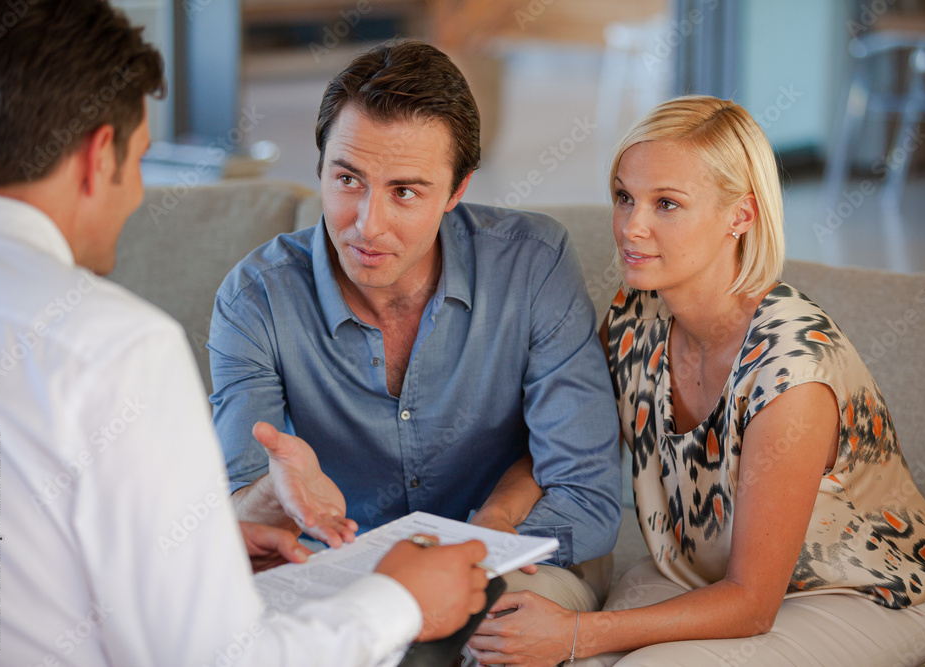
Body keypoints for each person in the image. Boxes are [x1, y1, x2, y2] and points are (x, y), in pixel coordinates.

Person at [0, 2, 489, 665]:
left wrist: (201, 547)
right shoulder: (113, 347)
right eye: (141, 164)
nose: (135, 197)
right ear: (100, 155)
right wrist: (401, 600)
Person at [465, 96, 925, 666]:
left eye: (667, 204)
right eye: (625, 197)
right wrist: (497, 517)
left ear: (741, 215)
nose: (633, 226)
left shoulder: (793, 372)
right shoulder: (637, 313)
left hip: (857, 594)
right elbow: (574, 440)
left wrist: (578, 631)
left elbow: (752, 603)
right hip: (695, 575)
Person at [208, 40, 622, 622]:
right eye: (348, 180)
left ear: (457, 191)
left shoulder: (533, 264)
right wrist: (274, 497)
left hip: (509, 567)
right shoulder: (255, 299)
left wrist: (460, 561)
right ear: (321, 166)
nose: (367, 224)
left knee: (486, 635)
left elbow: (586, 495)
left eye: (405, 191)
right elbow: (239, 521)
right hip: (341, 577)